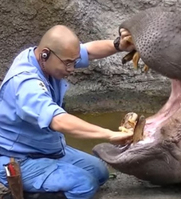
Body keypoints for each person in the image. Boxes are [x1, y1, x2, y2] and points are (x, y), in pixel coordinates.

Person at [0, 25, 134, 199]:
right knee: (84, 185)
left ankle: (44, 184)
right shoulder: (25, 83)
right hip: (19, 159)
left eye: (74, 62)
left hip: (46, 149)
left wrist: (120, 45)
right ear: (45, 54)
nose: (72, 69)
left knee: (100, 173)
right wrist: (108, 134)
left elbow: (89, 51)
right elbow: (58, 121)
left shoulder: (42, 57)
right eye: (68, 63)